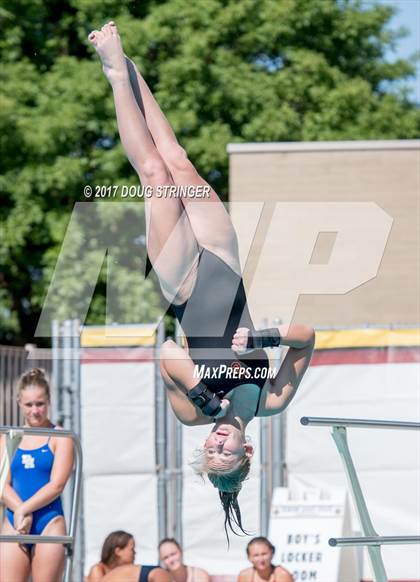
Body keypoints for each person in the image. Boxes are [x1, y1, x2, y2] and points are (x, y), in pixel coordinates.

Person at [88, 21, 315, 539]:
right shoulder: (269, 401)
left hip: (186, 285)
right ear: (245, 450)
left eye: (209, 453)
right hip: (226, 265)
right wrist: (264, 339)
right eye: (224, 453)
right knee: (179, 162)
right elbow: (307, 340)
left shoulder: (193, 415)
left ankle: (114, 73)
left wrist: (204, 395)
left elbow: (167, 352)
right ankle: (127, 67)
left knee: (154, 176)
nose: (214, 444)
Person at [0, 368, 74, 582]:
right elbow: (3, 485)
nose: (35, 411)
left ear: (49, 401)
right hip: (15, 520)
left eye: (39, 404)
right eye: (29, 405)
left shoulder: (60, 437)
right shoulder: (9, 439)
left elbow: (56, 485)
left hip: (48, 520)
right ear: (19, 403)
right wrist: (19, 512)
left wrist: (25, 509)